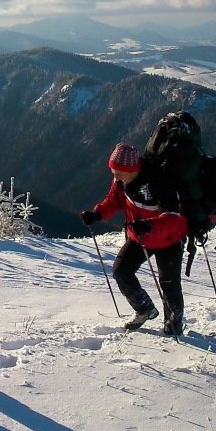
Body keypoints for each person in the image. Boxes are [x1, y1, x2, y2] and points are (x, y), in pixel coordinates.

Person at [81, 143, 188, 335]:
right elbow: (114, 201)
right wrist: (97, 214)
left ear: (133, 169)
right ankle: (144, 308)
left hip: (169, 239)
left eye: (118, 173)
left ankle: (174, 325)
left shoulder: (160, 181)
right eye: (113, 173)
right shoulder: (122, 181)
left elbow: (173, 217)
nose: (115, 178)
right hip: (139, 236)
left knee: (169, 283)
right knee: (121, 271)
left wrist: (150, 224)